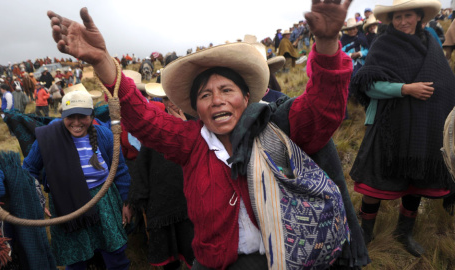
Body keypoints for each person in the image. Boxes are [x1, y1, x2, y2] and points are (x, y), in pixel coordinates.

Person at [48, 1, 369, 269]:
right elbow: (143, 117)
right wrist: (103, 60)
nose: (216, 100)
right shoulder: (191, 143)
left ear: (247, 98)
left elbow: (323, 109)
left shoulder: (278, 126)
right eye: (205, 95)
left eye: (226, 90)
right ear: (196, 109)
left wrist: (327, 45)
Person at [349, 0, 455, 258]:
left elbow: (444, 81)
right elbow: (368, 85)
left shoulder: (430, 43)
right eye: (397, 17)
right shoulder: (383, 45)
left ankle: (403, 232)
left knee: (415, 179)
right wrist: (405, 89)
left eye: (408, 16)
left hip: (425, 125)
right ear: (390, 20)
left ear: (419, 17)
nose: (402, 21)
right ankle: (366, 232)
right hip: (388, 124)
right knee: (375, 178)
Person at [23, 90, 131, 269]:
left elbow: (119, 170)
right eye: (70, 117)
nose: (76, 123)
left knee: (114, 253)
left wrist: (126, 201)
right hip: (66, 204)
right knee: (76, 258)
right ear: (62, 116)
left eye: (83, 116)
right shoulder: (48, 139)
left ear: (92, 115)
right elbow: (28, 169)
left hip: (103, 200)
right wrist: (38, 198)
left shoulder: (104, 135)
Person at [127, 83, 195, 270]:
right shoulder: (155, 130)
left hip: (192, 204)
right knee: (169, 257)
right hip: (163, 204)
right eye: (166, 98)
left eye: (176, 98)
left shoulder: (199, 125)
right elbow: (143, 166)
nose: (172, 102)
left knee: (195, 252)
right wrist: (136, 199)